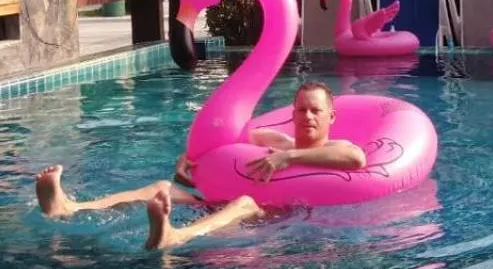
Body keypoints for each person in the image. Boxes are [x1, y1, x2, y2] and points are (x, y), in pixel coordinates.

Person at [33, 81, 366, 250]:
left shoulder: (336, 147)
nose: (307, 116)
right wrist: (191, 161)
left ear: (331, 117)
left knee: (246, 202)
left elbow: (356, 159)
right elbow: (221, 142)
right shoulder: (275, 140)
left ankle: (176, 236)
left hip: (275, 217)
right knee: (162, 187)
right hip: (220, 201)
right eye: (301, 110)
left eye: (315, 111)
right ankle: (71, 206)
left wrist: (289, 159)